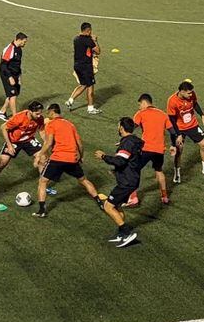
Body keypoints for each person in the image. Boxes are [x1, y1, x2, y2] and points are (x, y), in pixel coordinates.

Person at [0, 100, 45, 203]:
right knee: (2, 163)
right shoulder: (19, 118)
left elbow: (42, 129)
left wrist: (46, 143)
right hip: (14, 141)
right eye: (37, 113)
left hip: (28, 139)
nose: (39, 115)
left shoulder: (39, 119)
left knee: (42, 157)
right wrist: (9, 145)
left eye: (40, 113)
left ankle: (44, 186)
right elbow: (3, 127)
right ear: (30, 111)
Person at [35, 103, 97, 218]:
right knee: (83, 180)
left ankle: (41, 210)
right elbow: (80, 144)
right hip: (72, 159)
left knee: (42, 182)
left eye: (48, 112)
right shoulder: (70, 124)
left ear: (53, 112)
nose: (47, 115)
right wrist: (81, 157)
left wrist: (40, 154)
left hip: (57, 158)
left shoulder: (51, 124)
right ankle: (99, 201)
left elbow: (48, 143)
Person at [91, 117, 144, 248]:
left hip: (126, 182)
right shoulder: (135, 141)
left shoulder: (127, 143)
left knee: (108, 206)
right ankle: (121, 233)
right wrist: (117, 171)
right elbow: (130, 161)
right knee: (116, 206)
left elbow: (120, 160)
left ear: (121, 127)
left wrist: (103, 156)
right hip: (131, 179)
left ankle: (126, 232)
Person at [167, 80, 204, 183]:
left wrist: (202, 115)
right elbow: (171, 119)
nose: (191, 94)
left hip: (192, 125)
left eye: (191, 92)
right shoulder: (172, 101)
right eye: (188, 93)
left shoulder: (191, 95)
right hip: (179, 128)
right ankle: (177, 173)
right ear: (181, 91)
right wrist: (178, 134)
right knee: (179, 150)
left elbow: (195, 104)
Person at [131, 93, 174, 204]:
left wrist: (125, 140)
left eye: (140, 104)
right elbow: (172, 131)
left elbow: (130, 128)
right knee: (159, 171)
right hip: (159, 150)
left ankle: (133, 197)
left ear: (144, 103)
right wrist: (173, 145)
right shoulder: (163, 114)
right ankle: (164, 196)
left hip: (146, 148)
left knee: (134, 170)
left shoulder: (141, 113)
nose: (139, 107)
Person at [66, 23, 102, 114]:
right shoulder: (88, 40)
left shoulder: (76, 39)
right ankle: (90, 108)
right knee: (90, 87)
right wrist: (95, 41)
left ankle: (70, 100)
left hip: (77, 65)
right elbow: (98, 51)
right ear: (88, 30)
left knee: (83, 84)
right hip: (86, 67)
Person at [0, 32, 27, 119]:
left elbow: (17, 64)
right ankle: (15, 117)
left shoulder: (19, 49)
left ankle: (2, 112)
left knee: (13, 94)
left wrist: (19, 77)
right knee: (12, 95)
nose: (25, 43)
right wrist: (10, 77)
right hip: (7, 74)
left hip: (15, 75)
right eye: (24, 42)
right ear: (19, 40)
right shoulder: (10, 49)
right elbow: (3, 65)